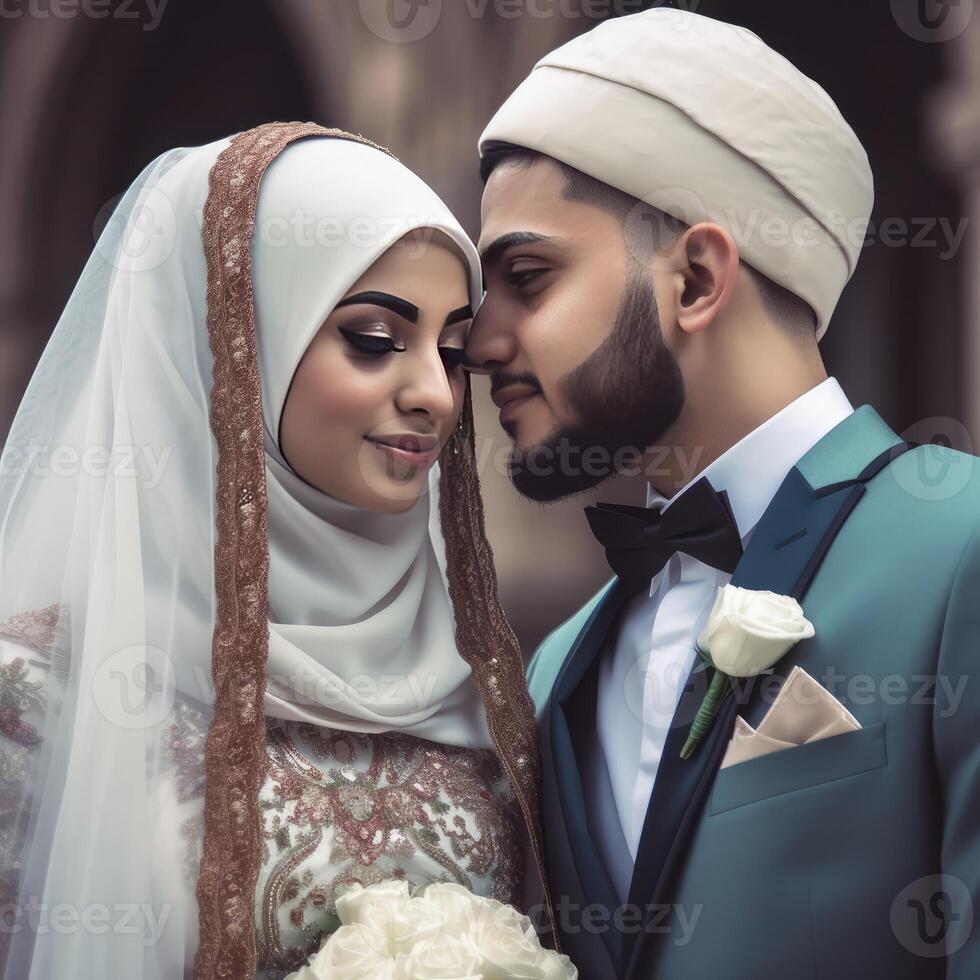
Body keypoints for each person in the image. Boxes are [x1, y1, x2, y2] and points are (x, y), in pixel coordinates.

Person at [466, 8, 980, 979]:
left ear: (695, 278)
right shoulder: (553, 668)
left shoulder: (961, 547)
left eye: (525, 278)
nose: (478, 342)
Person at [0, 122, 547, 979]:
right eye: (374, 339)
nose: (436, 395)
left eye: (451, 350)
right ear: (234, 346)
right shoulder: (34, 692)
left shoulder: (477, 679)